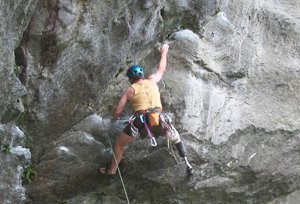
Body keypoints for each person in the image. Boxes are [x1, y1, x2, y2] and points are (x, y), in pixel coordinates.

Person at [99, 43, 193, 176]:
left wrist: (114, 119)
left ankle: (112, 171)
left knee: (119, 142)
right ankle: (187, 165)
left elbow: (118, 111)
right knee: (174, 136)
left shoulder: (130, 90)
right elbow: (161, 69)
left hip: (142, 122)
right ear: (142, 75)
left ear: (131, 79)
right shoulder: (152, 81)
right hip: (160, 120)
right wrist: (164, 52)